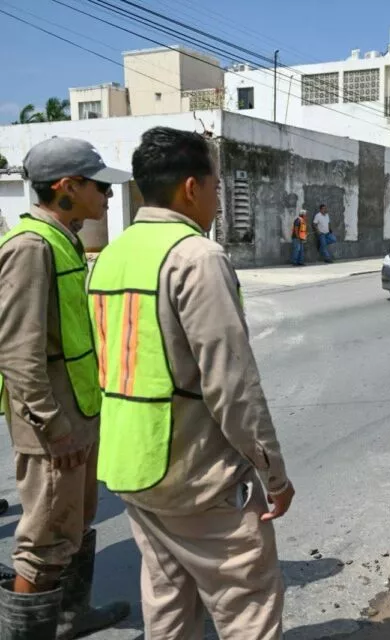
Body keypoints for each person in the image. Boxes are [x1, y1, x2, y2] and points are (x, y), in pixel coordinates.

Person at [87, 127, 293, 637]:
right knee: (249, 607)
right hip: (195, 475)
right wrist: (274, 475)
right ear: (191, 188)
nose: (218, 200)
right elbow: (232, 387)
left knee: (168, 602)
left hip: (132, 464)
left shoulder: (111, 254)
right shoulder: (197, 257)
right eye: (216, 186)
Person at [0, 137, 131, 638]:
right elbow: (17, 351)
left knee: (75, 524)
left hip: (78, 411)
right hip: (54, 423)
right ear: (66, 188)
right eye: (100, 187)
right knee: (44, 540)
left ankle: (72, 618)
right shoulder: (30, 248)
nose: (108, 198)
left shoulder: (64, 240)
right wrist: (54, 428)